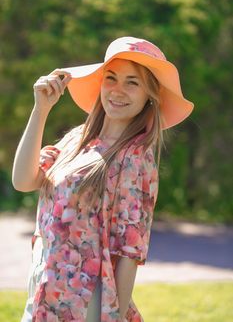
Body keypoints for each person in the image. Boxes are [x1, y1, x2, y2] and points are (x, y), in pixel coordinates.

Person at [12, 36, 194, 322]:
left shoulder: (134, 158)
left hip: (87, 301)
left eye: (132, 82)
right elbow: (23, 181)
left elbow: (130, 250)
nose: (118, 90)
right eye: (111, 78)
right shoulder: (77, 140)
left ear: (150, 95)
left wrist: (115, 315)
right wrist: (41, 110)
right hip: (45, 289)